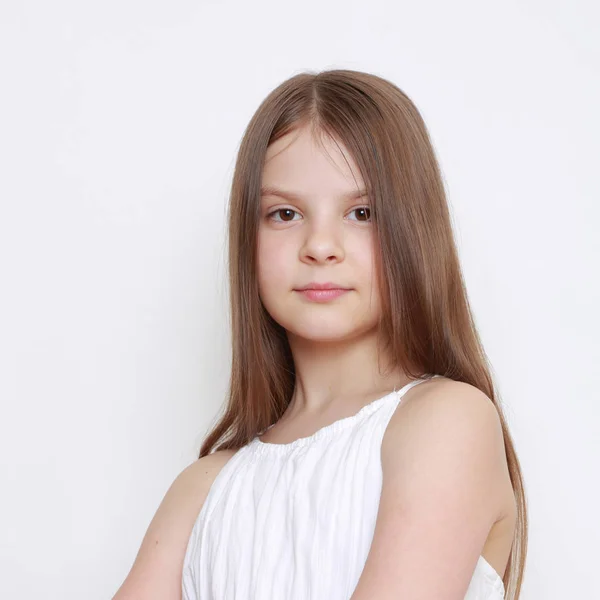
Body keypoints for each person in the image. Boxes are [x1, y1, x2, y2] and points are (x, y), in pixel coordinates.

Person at [112, 69, 527, 600]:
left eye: (361, 212)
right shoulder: (203, 489)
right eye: (284, 214)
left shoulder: (446, 421)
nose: (321, 245)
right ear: (248, 236)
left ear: (413, 229)